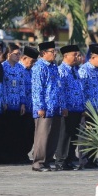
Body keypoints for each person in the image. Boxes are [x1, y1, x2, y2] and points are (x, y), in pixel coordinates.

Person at [31, 41, 63, 172]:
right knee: (42, 136)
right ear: (43, 53)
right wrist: (40, 107)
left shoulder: (53, 66)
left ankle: (48, 160)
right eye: (52, 52)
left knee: (53, 136)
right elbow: (37, 89)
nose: (55, 54)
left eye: (55, 51)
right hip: (44, 107)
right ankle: (38, 162)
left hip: (55, 106)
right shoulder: (39, 67)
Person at [78, 44, 98, 168]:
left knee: (94, 136)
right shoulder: (84, 70)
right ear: (93, 57)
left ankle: (92, 159)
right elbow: (81, 90)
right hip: (88, 109)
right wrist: (84, 107)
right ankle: (84, 160)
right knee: (86, 135)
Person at [56, 44, 84, 171]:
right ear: (65, 56)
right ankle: (61, 160)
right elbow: (60, 91)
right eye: (74, 55)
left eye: (78, 55)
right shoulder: (61, 70)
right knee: (64, 135)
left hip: (77, 108)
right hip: (67, 109)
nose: (77, 57)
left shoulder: (76, 70)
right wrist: (63, 106)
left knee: (73, 135)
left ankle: (70, 159)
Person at [2, 43, 26, 164]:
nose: (18, 56)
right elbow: (2, 86)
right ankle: (6, 155)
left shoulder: (20, 68)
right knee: (6, 130)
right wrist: (4, 101)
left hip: (17, 103)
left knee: (16, 131)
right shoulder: (3, 67)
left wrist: (22, 103)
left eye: (19, 54)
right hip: (7, 104)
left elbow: (22, 86)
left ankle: (15, 155)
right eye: (16, 54)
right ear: (8, 54)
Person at [18, 46, 39, 163]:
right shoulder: (18, 69)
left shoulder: (32, 71)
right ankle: (19, 154)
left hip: (32, 107)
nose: (32, 64)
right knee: (21, 132)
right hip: (22, 107)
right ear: (24, 58)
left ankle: (25, 153)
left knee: (30, 133)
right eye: (31, 61)